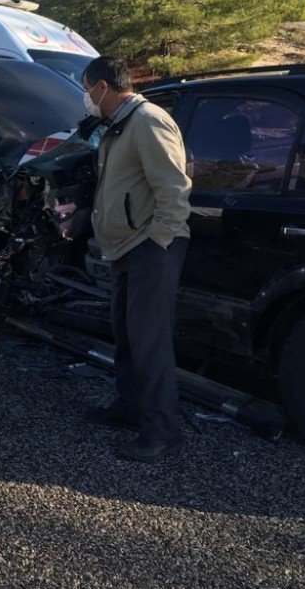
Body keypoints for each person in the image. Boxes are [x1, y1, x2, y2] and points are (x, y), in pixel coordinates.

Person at [82, 56, 192, 462]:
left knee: (150, 342)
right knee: (126, 334)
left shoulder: (148, 121)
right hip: (127, 246)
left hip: (150, 247)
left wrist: (159, 240)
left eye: (86, 88)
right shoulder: (120, 125)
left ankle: (162, 433)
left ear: (103, 87)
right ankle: (130, 406)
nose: (86, 98)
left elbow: (174, 188)